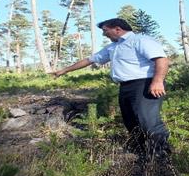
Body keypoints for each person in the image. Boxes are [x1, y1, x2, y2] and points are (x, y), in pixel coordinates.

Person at [52, 18, 171, 162]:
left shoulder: (140, 40)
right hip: (125, 87)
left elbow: (162, 60)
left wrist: (157, 81)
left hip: (145, 83)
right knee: (131, 121)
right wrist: (64, 70)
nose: (104, 34)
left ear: (117, 29)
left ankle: (161, 156)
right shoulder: (112, 47)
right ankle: (143, 153)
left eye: (105, 31)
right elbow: (90, 60)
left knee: (148, 120)